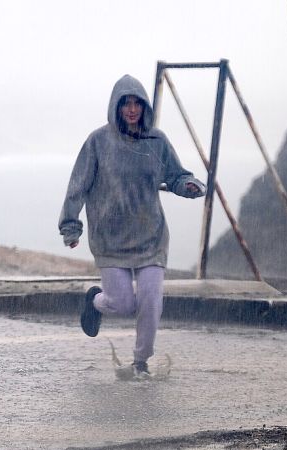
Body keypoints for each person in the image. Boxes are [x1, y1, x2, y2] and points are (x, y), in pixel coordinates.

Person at [59, 74, 206, 380]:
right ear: (116, 106)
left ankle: (141, 362)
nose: (131, 109)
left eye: (136, 103)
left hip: (150, 237)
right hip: (110, 239)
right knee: (122, 303)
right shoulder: (98, 141)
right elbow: (78, 186)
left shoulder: (156, 140)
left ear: (144, 107)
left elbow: (176, 175)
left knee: (151, 302)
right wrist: (71, 227)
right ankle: (96, 301)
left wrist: (189, 185)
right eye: (125, 103)